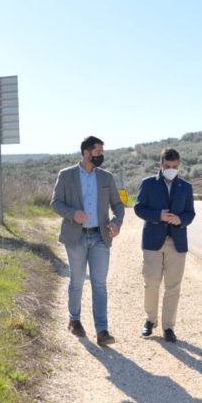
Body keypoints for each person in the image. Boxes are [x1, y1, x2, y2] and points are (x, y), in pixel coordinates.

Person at [51, 135, 125, 346]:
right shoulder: (66, 176)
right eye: (98, 152)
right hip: (76, 237)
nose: (101, 156)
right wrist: (72, 213)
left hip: (101, 237)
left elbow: (118, 205)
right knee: (77, 281)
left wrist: (117, 222)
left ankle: (102, 330)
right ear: (86, 152)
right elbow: (55, 203)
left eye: (102, 152)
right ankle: (74, 320)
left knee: (99, 284)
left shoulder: (106, 177)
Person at [133, 147, 195, 343]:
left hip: (176, 243)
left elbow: (190, 213)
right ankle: (150, 321)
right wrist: (158, 215)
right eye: (167, 166)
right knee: (151, 283)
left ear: (179, 165)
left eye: (174, 166)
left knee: (173, 287)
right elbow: (138, 208)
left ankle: (169, 327)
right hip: (152, 242)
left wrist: (180, 219)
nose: (171, 169)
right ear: (160, 165)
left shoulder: (185, 186)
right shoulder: (148, 184)